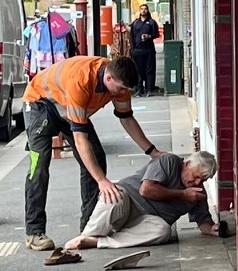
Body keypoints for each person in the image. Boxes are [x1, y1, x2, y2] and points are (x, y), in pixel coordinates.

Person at [22, 55, 161, 251]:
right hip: (40, 103)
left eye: (126, 90)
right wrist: (102, 181)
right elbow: (80, 138)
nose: (122, 93)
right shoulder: (81, 80)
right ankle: (34, 232)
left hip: (66, 107)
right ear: (109, 78)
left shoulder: (118, 82)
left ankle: (88, 228)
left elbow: (127, 119)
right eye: (121, 89)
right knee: (39, 166)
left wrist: (152, 151)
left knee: (96, 159)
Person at [64, 151, 218, 250]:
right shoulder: (169, 161)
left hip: (147, 221)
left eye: (203, 180)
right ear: (187, 164)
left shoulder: (197, 193)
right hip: (129, 199)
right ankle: (87, 235)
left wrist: (213, 229)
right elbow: (146, 190)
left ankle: (97, 242)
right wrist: (182, 194)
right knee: (114, 195)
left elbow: (204, 224)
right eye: (196, 176)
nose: (197, 182)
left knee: (163, 231)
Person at [130, 4, 159, 97]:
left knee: (149, 70)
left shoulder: (151, 22)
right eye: (142, 9)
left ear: (147, 10)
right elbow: (131, 37)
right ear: (139, 11)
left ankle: (149, 89)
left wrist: (149, 36)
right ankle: (139, 90)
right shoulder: (135, 23)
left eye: (145, 9)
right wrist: (132, 50)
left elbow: (156, 34)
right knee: (138, 71)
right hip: (137, 51)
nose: (143, 11)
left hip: (149, 50)